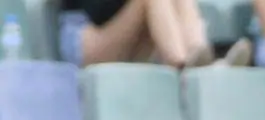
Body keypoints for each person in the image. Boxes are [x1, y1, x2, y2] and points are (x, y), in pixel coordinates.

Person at [58, 0, 251, 68]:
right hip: (85, 38)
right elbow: (98, 12)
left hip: (126, 39)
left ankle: (200, 60)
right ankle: (182, 67)